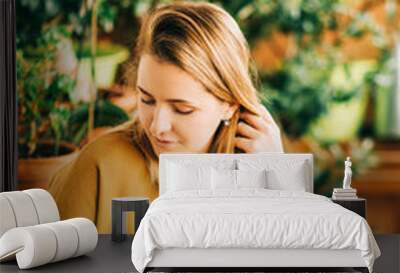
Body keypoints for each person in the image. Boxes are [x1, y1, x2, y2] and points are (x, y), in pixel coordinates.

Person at [48, 1, 284, 233]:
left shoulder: (261, 172)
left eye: (182, 109)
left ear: (230, 105)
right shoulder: (98, 166)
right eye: (147, 100)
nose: (157, 127)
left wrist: (280, 180)